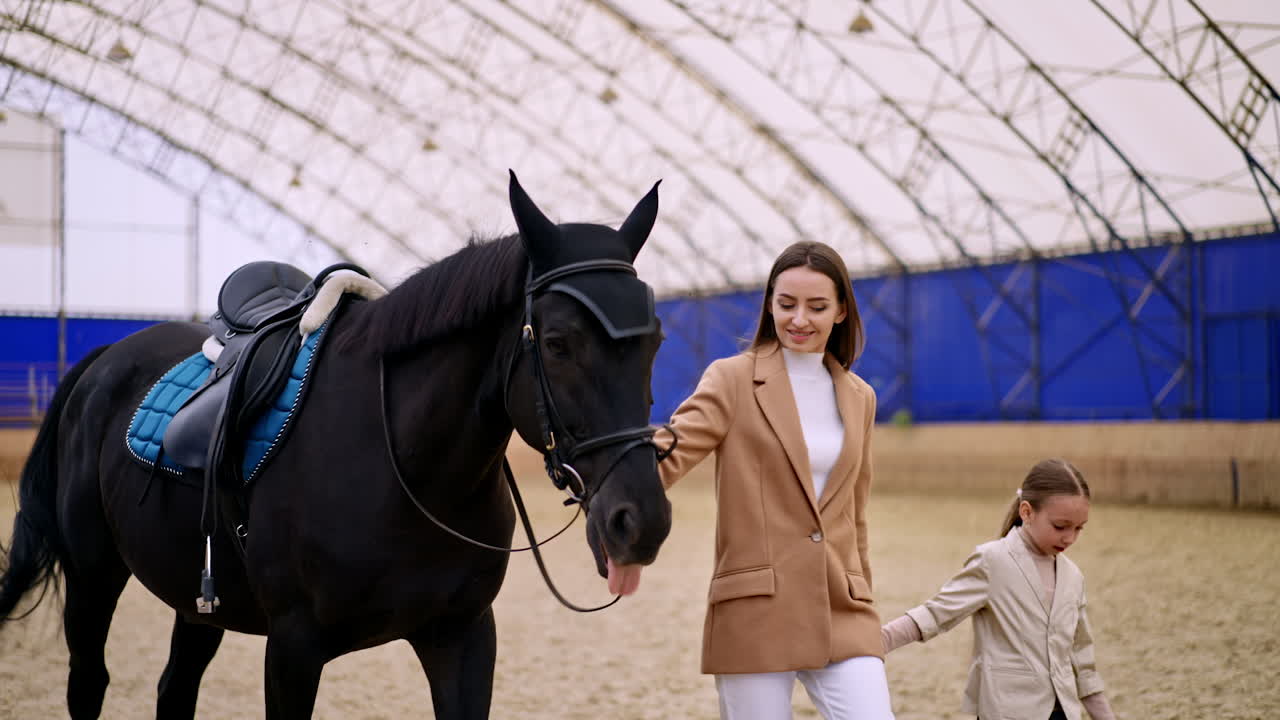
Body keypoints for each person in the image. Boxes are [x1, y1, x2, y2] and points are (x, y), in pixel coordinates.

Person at [653, 241, 894, 719]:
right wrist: (596, 466)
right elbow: (667, 457)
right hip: (755, 609)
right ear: (769, 304)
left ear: (842, 311)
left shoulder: (860, 397)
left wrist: (862, 587)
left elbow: (854, 512)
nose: (799, 319)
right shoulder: (731, 379)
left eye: (817, 306)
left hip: (842, 608)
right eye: (786, 304)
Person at [879, 458, 1117, 720]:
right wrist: (877, 641)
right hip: (1006, 711)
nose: (1069, 537)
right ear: (1026, 512)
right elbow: (936, 614)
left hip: (1063, 713)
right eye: (1060, 526)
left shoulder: (1073, 576)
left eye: (1079, 528)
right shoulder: (992, 561)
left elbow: (1082, 660)